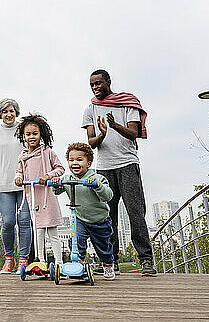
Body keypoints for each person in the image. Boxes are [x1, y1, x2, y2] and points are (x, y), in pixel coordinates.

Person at [82, 69, 157, 276]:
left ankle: (146, 260)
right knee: (107, 216)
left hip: (127, 164)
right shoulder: (90, 109)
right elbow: (91, 142)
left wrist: (114, 125)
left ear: (108, 82)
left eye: (98, 83)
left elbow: (134, 133)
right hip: (104, 167)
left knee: (135, 213)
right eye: (92, 85)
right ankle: (110, 261)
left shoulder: (127, 103)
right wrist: (103, 134)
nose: (95, 87)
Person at [51, 142, 116, 280]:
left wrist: (97, 186)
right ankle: (78, 263)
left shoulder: (98, 178)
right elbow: (57, 191)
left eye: (79, 160)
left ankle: (108, 263)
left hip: (99, 220)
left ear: (89, 163)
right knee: (76, 239)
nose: (75, 163)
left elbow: (108, 195)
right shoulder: (67, 179)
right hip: (80, 219)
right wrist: (56, 183)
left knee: (103, 246)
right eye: (71, 160)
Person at [14, 114, 65, 268]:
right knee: (38, 232)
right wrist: (18, 178)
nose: (31, 137)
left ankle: (59, 263)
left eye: (35, 134)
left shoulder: (48, 152)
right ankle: (41, 262)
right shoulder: (22, 156)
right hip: (33, 196)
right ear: (23, 136)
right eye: (28, 134)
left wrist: (47, 176)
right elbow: (19, 171)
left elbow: (60, 169)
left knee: (52, 232)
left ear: (41, 134)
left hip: (47, 196)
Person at [0, 98, 32, 274]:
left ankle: (24, 259)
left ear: (16, 112)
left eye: (12, 110)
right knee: (8, 222)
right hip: (4, 184)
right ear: (0, 114)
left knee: (24, 221)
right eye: (5, 111)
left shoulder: (24, 130)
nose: (8, 114)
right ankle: (9, 259)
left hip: (25, 183)